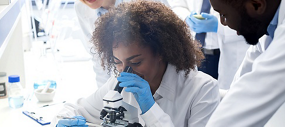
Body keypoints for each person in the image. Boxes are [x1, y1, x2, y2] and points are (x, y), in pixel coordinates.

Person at [52, 1, 220, 126]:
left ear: (161, 51)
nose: (126, 71)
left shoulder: (203, 90)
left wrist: (150, 108)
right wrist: (64, 121)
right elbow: (75, 109)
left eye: (136, 61)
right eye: (117, 62)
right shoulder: (119, 83)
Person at [206, 0, 285, 126]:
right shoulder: (268, 29)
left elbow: (257, 90)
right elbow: (241, 88)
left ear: (257, 5)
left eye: (224, 15)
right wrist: (202, 92)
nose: (223, 23)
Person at [75, 0, 171, 88]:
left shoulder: (147, 3)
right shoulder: (81, 8)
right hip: (122, 85)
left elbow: (170, 46)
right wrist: (106, 98)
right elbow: (99, 59)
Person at [170, 0, 249, 90]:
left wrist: (219, 26)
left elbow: (253, 19)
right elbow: (177, 4)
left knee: (226, 95)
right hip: (196, 51)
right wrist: (186, 17)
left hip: (230, 53)